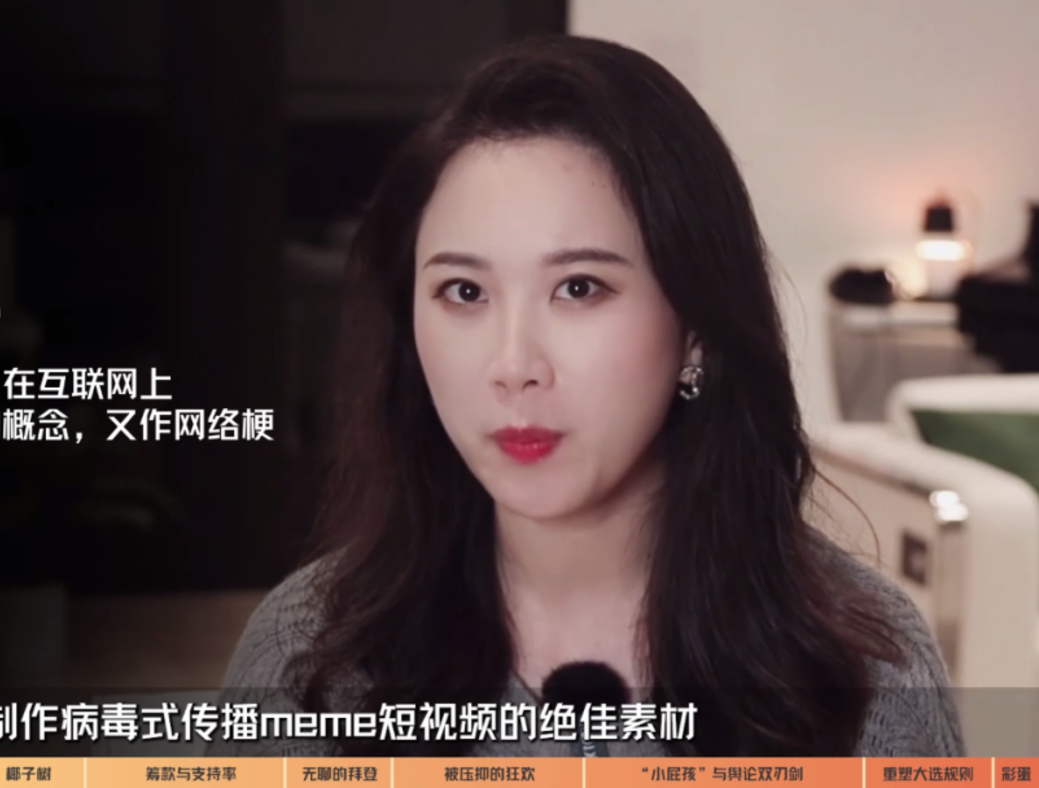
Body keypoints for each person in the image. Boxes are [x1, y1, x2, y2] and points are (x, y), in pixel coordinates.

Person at [206, 35, 964, 757]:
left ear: (696, 330)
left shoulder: (865, 670)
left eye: (578, 288)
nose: (513, 366)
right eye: (464, 291)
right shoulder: (308, 656)